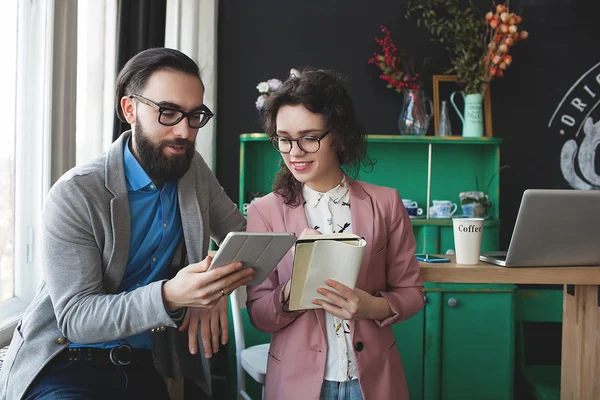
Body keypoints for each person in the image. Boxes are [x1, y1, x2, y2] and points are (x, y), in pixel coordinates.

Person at [0, 48, 254, 400]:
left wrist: (212, 289)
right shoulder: (77, 193)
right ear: (129, 109)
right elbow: (76, 317)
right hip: (63, 362)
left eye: (195, 115)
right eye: (168, 112)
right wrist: (172, 295)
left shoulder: (192, 170)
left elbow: (244, 237)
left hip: (140, 364)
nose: (184, 131)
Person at [245, 69, 425, 400]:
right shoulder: (264, 211)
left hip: (371, 378)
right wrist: (291, 292)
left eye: (309, 137)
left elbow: (412, 292)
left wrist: (371, 307)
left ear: (339, 135)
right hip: (297, 381)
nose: (294, 152)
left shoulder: (385, 203)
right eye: (283, 139)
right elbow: (258, 312)